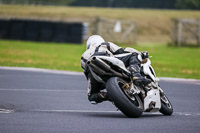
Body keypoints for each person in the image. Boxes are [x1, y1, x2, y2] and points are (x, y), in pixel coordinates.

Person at [81, 35, 151, 104]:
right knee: (134, 55)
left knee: (91, 96)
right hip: (106, 59)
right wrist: (141, 55)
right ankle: (136, 75)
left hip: (92, 71)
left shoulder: (83, 56)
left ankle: (108, 95)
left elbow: (87, 73)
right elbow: (121, 51)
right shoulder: (105, 44)